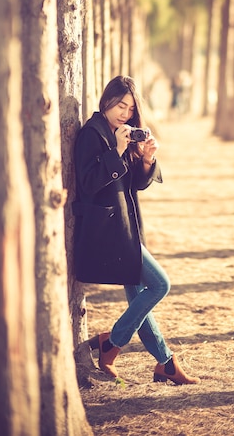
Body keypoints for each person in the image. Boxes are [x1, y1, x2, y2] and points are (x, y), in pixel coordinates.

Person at [73, 75, 200, 385]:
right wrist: (116, 151)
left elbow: (135, 183)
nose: (124, 113)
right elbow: (87, 183)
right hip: (108, 232)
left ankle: (166, 364)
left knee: (138, 299)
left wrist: (146, 158)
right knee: (160, 285)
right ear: (106, 101)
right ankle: (111, 343)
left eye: (130, 108)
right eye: (120, 105)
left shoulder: (121, 132)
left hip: (126, 228)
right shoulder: (92, 133)